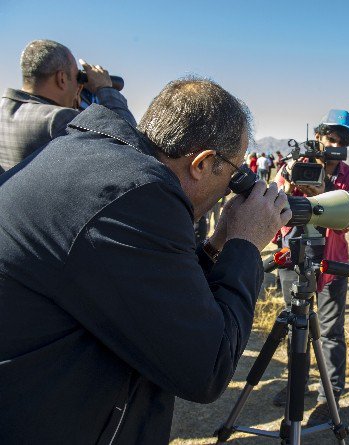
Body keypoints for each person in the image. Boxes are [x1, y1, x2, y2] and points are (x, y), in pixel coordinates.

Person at [0, 78, 291, 444]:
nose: (232, 190)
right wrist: (246, 245)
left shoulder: (100, 162)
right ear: (202, 163)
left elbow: (159, 295)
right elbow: (207, 368)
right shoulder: (138, 196)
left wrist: (218, 243)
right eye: (235, 176)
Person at [273, 109, 349, 426]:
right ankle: (296, 384)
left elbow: (348, 223)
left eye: (338, 140)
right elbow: (275, 203)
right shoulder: (298, 166)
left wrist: (323, 196)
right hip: (293, 254)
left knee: (329, 332)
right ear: (318, 137)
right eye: (327, 137)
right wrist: (286, 176)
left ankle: (329, 397)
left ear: (345, 144)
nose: (330, 144)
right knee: (294, 322)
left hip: (331, 262)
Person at [0, 39, 135, 171]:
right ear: (62, 78)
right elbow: (131, 148)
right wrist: (105, 88)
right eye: (77, 78)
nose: (79, 86)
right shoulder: (59, 118)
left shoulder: (3, 110)